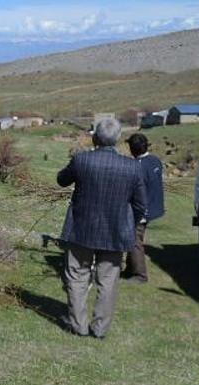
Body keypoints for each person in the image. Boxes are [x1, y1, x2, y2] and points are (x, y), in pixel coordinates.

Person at [57, 118, 147, 339]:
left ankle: (78, 325)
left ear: (95, 137)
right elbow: (141, 205)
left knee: (77, 276)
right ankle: (99, 329)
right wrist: (128, 223)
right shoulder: (132, 167)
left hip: (81, 229)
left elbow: (61, 180)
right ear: (117, 140)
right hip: (115, 231)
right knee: (107, 281)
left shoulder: (81, 161)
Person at [124, 133, 164, 284]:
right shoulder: (155, 161)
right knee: (133, 237)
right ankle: (130, 268)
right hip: (154, 206)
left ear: (133, 149)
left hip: (143, 209)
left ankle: (140, 275)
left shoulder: (137, 166)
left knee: (135, 240)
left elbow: (136, 191)